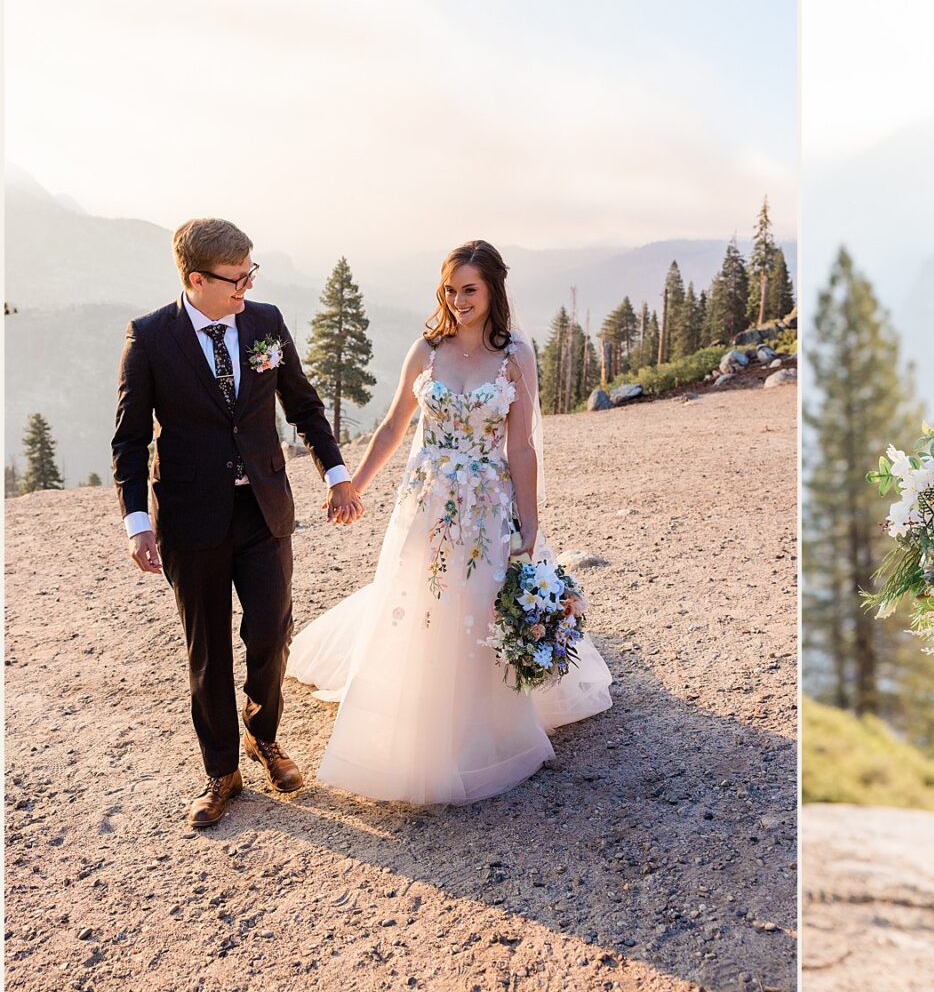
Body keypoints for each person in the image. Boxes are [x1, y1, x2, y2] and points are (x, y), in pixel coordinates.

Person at [286, 240, 612, 804]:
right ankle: (417, 716)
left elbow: (523, 447)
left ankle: (481, 727)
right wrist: (352, 487)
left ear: (492, 292)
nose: (459, 300)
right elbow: (391, 427)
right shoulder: (426, 350)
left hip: (488, 505)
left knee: (480, 603)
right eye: (451, 289)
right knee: (423, 602)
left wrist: (530, 525)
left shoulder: (516, 356)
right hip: (426, 503)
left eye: (470, 290)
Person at [113, 218, 361, 828]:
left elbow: (301, 403)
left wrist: (336, 474)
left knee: (271, 633)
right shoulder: (149, 339)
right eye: (236, 276)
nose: (247, 284)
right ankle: (222, 770)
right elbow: (129, 440)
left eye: (252, 271)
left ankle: (264, 733)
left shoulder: (264, 322)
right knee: (207, 649)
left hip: (264, 508)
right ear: (196, 279)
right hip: (191, 519)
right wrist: (137, 524)